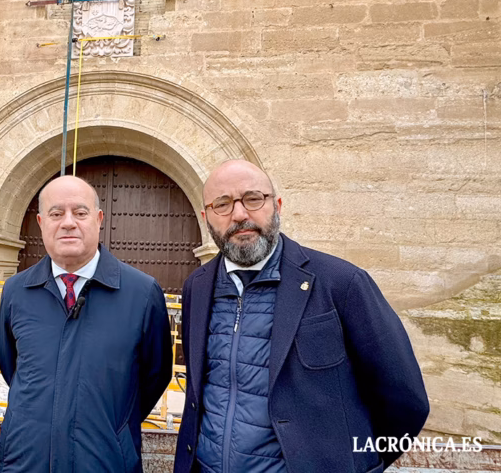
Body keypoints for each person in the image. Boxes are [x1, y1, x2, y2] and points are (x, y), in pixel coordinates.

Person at [174, 160, 429, 473]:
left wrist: (351, 463)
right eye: (222, 204)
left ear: (277, 205)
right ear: (207, 217)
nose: (239, 214)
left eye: (253, 199)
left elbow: (405, 401)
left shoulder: (342, 283)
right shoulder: (197, 288)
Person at [0, 175, 173, 473]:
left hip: (105, 462)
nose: (68, 222)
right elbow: (11, 366)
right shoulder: (16, 291)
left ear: (99, 219)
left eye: (80, 213)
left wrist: (113, 428)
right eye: (56, 214)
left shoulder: (142, 293)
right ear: (41, 222)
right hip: (25, 462)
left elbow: (155, 375)